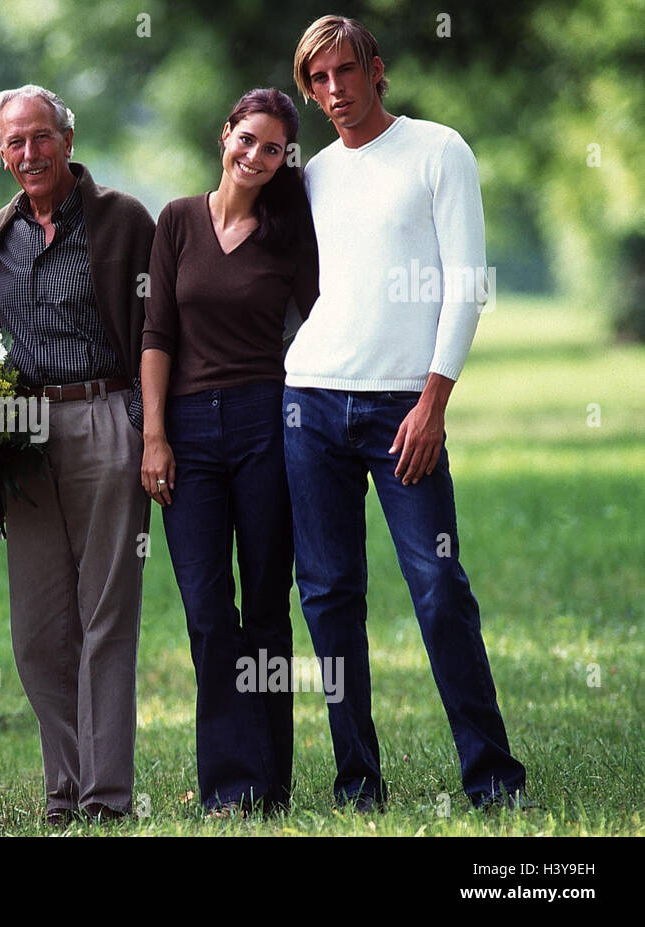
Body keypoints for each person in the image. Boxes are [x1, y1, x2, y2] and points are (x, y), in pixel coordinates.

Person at [286, 14, 526, 810]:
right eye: (317, 81)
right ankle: (358, 781)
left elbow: (467, 285)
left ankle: (492, 778)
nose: (333, 92)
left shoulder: (438, 151)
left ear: (376, 69)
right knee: (326, 595)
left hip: (403, 407)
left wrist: (434, 399)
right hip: (312, 400)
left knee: (438, 585)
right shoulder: (314, 173)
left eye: (344, 72)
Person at [0, 85, 155, 825]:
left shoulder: (122, 219)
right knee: (39, 633)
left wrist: (150, 428)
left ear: (68, 138)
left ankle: (104, 795)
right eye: (14, 143)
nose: (28, 154)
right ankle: (68, 782)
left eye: (40, 137)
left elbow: (155, 329)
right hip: (25, 435)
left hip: (106, 416)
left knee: (106, 614)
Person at [141, 88, 318, 816]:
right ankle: (228, 785)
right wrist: (153, 434)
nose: (255, 156)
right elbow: (156, 334)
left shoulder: (290, 230)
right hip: (186, 431)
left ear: (284, 159)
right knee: (210, 612)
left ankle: (270, 781)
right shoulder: (178, 220)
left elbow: (323, 319)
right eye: (247, 139)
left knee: (267, 607)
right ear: (226, 136)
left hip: (263, 423)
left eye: (272, 148)